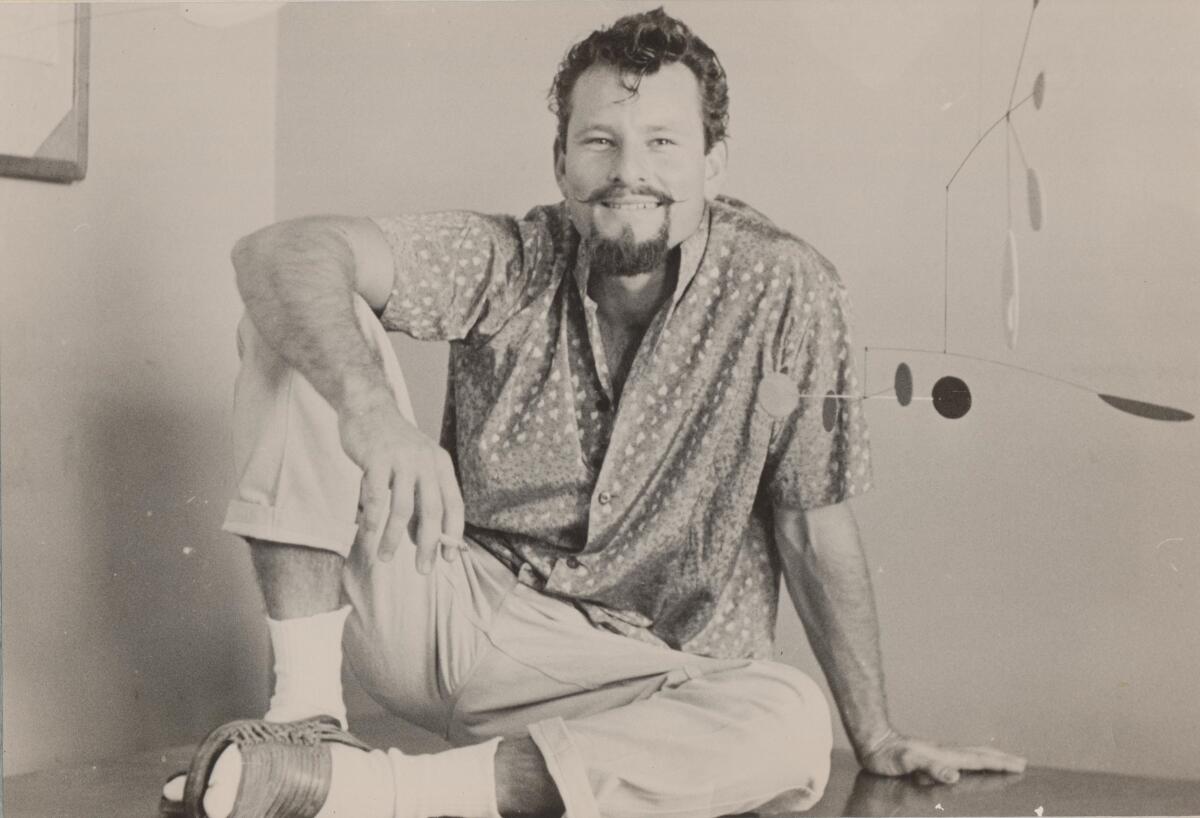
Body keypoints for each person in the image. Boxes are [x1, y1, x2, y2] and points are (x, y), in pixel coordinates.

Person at [165, 8, 1025, 818]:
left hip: (631, 677)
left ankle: (362, 794)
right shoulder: (514, 256)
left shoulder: (787, 288)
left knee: (792, 722)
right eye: (600, 142)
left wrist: (872, 734)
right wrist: (375, 417)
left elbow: (811, 524)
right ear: (561, 161)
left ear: (714, 163)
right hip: (442, 607)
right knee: (296, 308)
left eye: (662, 143)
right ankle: (308, 721)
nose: (629, 172)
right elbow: (277, 251)